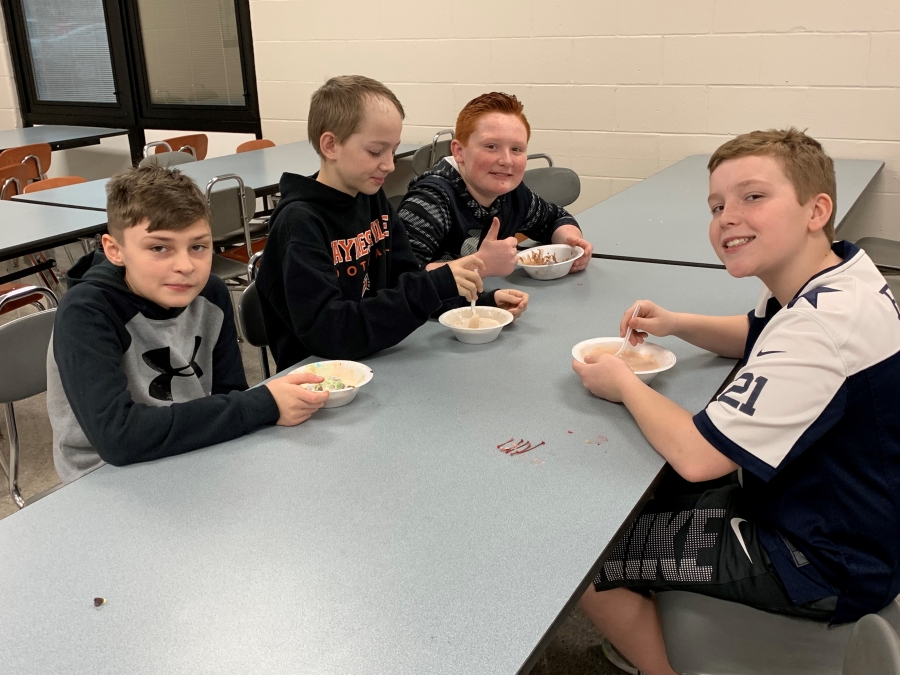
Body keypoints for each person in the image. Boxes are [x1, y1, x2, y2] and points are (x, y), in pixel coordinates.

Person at [572, 128, 900, 675]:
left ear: (816, 209)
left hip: (819, 557)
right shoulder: (835, 275)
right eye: (717, 205)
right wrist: (676, 324)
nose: (727, 217)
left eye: (753, 197)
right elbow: (756, 333)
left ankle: (667, 663)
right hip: (841, 514)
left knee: (580, 551)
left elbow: (700, 458)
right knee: (643, 505)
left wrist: (622, 382)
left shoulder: (822, 327)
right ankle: (667, 616)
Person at [48, 166, 329, 484]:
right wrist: (262, 403)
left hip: (190, 445)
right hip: (103, 474)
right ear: (115, 250)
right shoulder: (86, 313)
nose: (185, 266)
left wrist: (247, 409)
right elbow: (117, 437)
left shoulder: (211, 292)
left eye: (198, 246)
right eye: (159, 248)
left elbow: (229, 391)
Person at [256, 76, 529, 372]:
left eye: (393, 150)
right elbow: (330, 333)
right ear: (331, 145)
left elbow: (407, 285)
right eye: (376, 151)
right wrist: (433, 285)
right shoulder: (299, 223)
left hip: (376, 360)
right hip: (320, 379)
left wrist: (477, 298)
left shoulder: (371, 198)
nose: (389, 164)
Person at [398, 91, 592, 278]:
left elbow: (554, 219)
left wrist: (571, 243)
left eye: (516, 149)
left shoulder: (513, 194)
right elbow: (403, 279)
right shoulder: (429, 202)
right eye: (491, 147)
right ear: (458, 151)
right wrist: (481, 265)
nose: (506, 160)